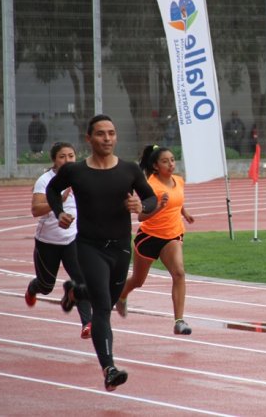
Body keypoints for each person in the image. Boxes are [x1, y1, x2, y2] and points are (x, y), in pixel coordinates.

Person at [46, 114, 157, 392]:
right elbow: (52, 189)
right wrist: (59, 212)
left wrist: (140, 207)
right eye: (100, 134)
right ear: (89, 138)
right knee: (103, 308)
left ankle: (75, 292)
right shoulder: (76, 171)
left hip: (119, 248)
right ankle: (109, 368)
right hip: (89, 246)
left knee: (109, 295)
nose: (107, 139)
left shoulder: (130, 170)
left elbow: (151, 198)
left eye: (111, 133)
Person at [115, 145, 195, 335]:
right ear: (156, 166)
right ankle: (122, 295)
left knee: (179, 273)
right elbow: (141, 217)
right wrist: (159, 207)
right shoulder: (151, 185)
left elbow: (178, 201)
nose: (171, 164)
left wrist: (185, 212)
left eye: (173, 160)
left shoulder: (178, 181)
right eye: (165, 161)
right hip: (150, 238)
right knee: (137, 281)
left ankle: (179, 321)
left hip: (172, 235)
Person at [26, 141, 93, 339]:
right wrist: (58, 202)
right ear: (54, 160)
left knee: (81, 281)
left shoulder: (81, 177)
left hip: (73, 240)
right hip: (48, 242)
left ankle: (87, 323)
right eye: (62, 156)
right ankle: (33, 288)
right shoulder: (45, 180)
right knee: (47, 287)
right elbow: (35, 210)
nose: (67, 160)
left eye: (71, 156)